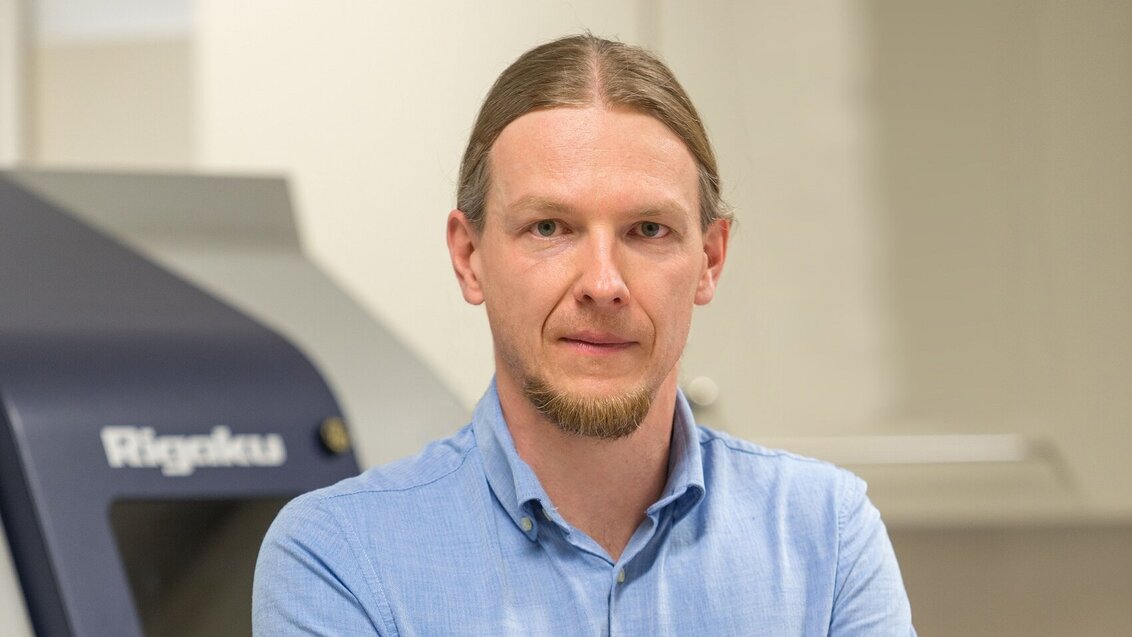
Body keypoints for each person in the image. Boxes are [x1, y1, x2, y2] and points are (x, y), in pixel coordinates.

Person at [253, 34, 915, 636]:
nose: (602, 282)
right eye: (549, 227)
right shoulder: (340, 556)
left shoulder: (825, 536)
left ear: (710, 259)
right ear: (469, 255)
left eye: (648, 230)